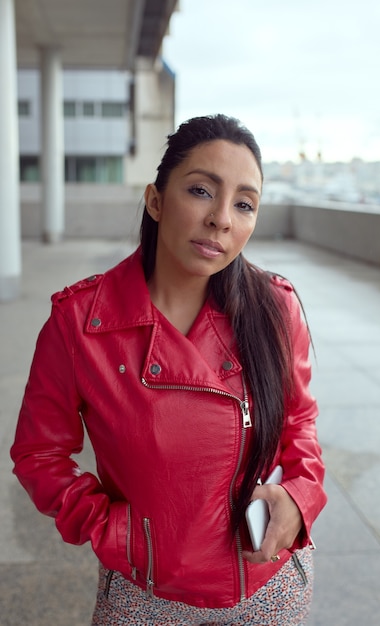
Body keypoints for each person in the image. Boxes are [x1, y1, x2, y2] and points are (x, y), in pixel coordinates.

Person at [11, 114, 327, 625]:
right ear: (155, 200)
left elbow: (300, 427)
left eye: (244, 204)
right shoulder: (80, 323)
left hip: (269, 582)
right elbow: (38, 454)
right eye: (202, 190)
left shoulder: (275, 308)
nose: (222, 219)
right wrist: (115, 532)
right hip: (144, 591)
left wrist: (301, 495)